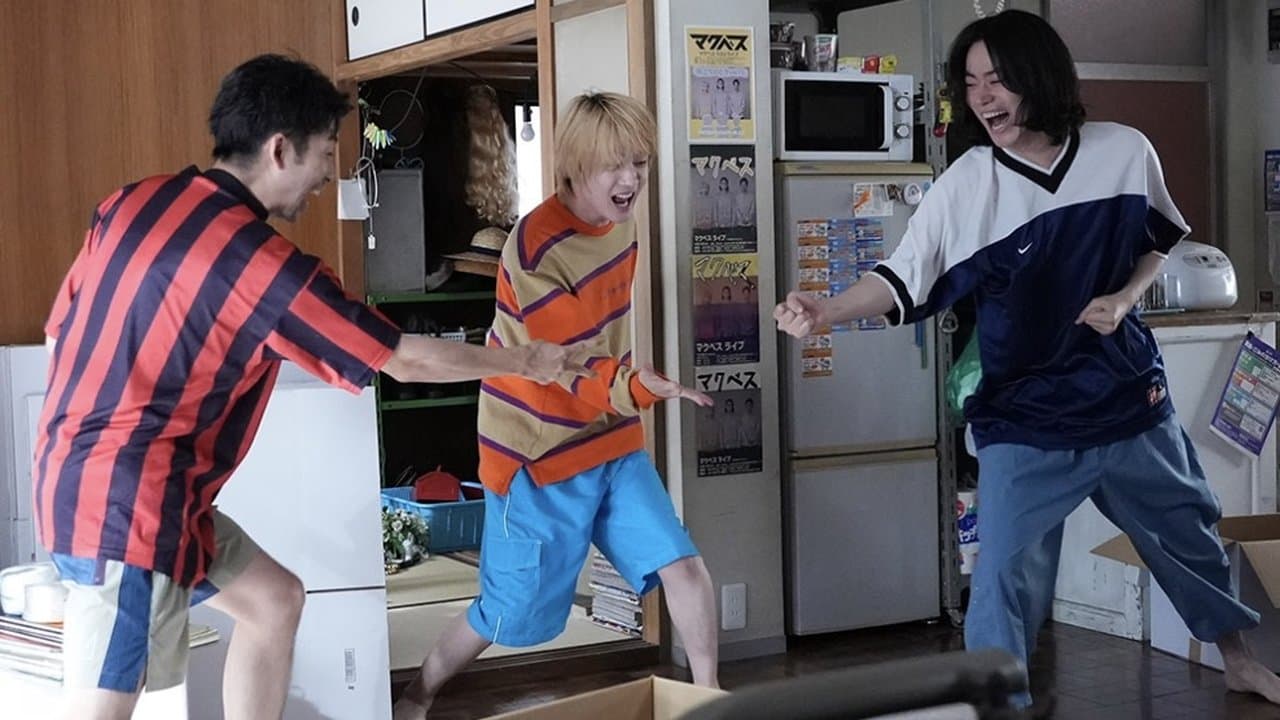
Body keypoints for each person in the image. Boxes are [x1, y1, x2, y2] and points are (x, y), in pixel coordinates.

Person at [33, 54, 590, 720]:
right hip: (129, 511)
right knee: (104, 704)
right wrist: (525, 363)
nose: (329, 174)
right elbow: (402, 359)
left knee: (274, 601)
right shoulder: (260, 265)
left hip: (94, 479)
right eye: (326, 152)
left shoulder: (132, 202)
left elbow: (59, 333)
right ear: (279, 150)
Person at [774, 9, 1280, 710]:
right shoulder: (967, 185)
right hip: (1025, 417)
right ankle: (996, 705)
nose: (983, 98)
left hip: (1126, 400)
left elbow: (1160, 237)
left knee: (1188, 536)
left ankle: (1240, 662)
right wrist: (826, 310)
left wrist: (1125, 298)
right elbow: (902, 277)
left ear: (1040, 79)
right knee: (1002, 579)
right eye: (971, 83)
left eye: (998, 80)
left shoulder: (1123, 151)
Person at [393, 91, 720, 719]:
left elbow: (604, 347)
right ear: (574, 167)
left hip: (610, 437)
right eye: (614, 165)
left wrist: (628, 392)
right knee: (504, 610)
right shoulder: (533, 246)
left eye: (639, 163)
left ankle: (711, 704)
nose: (631, 180)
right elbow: (567, 359)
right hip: (535, 453)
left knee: (681, 564)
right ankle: (416, 695)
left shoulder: (622, 227)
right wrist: (637, 387)